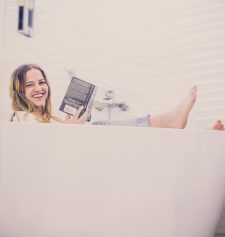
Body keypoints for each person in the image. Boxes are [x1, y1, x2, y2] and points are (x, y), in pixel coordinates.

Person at [9, 64, 224, 130]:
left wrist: (73, 126)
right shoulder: (22, 119)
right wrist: (73, 129)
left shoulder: (44, 118)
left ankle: (177, 125)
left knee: (106, 125)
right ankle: (169, 121)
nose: (39, 88)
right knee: (105, 127)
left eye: (41, 81)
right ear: (19, 91)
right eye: (30, 85)